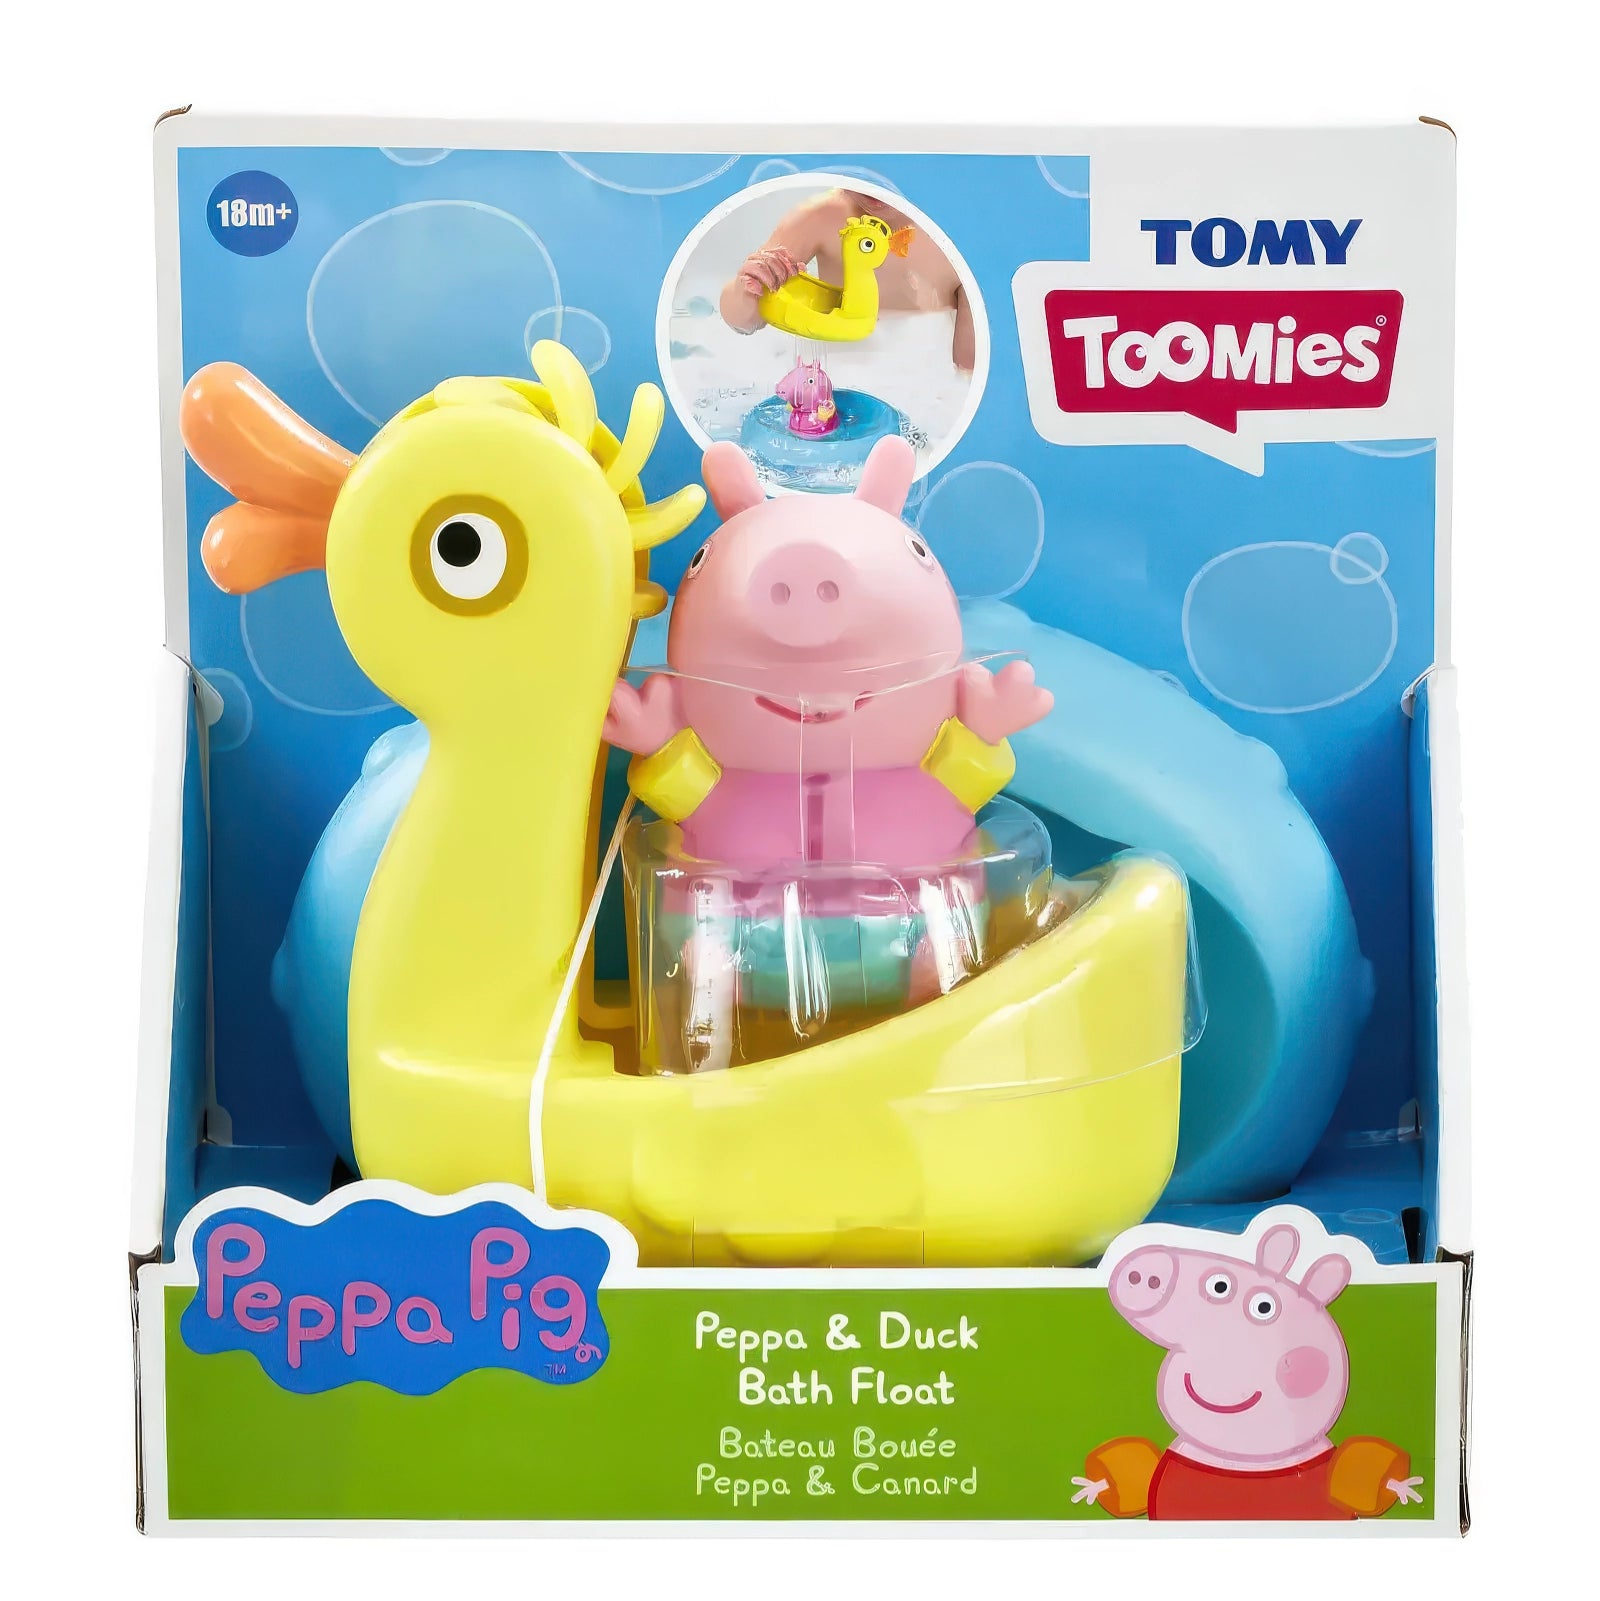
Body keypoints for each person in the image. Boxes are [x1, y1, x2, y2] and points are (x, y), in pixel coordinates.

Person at [720, 189, 974, 373]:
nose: (874, 186)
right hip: (835, 383)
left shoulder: (959, 232)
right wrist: (747, 286)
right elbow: (742, 321)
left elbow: (970, 368)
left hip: (926, 388)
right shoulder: (821, 216)